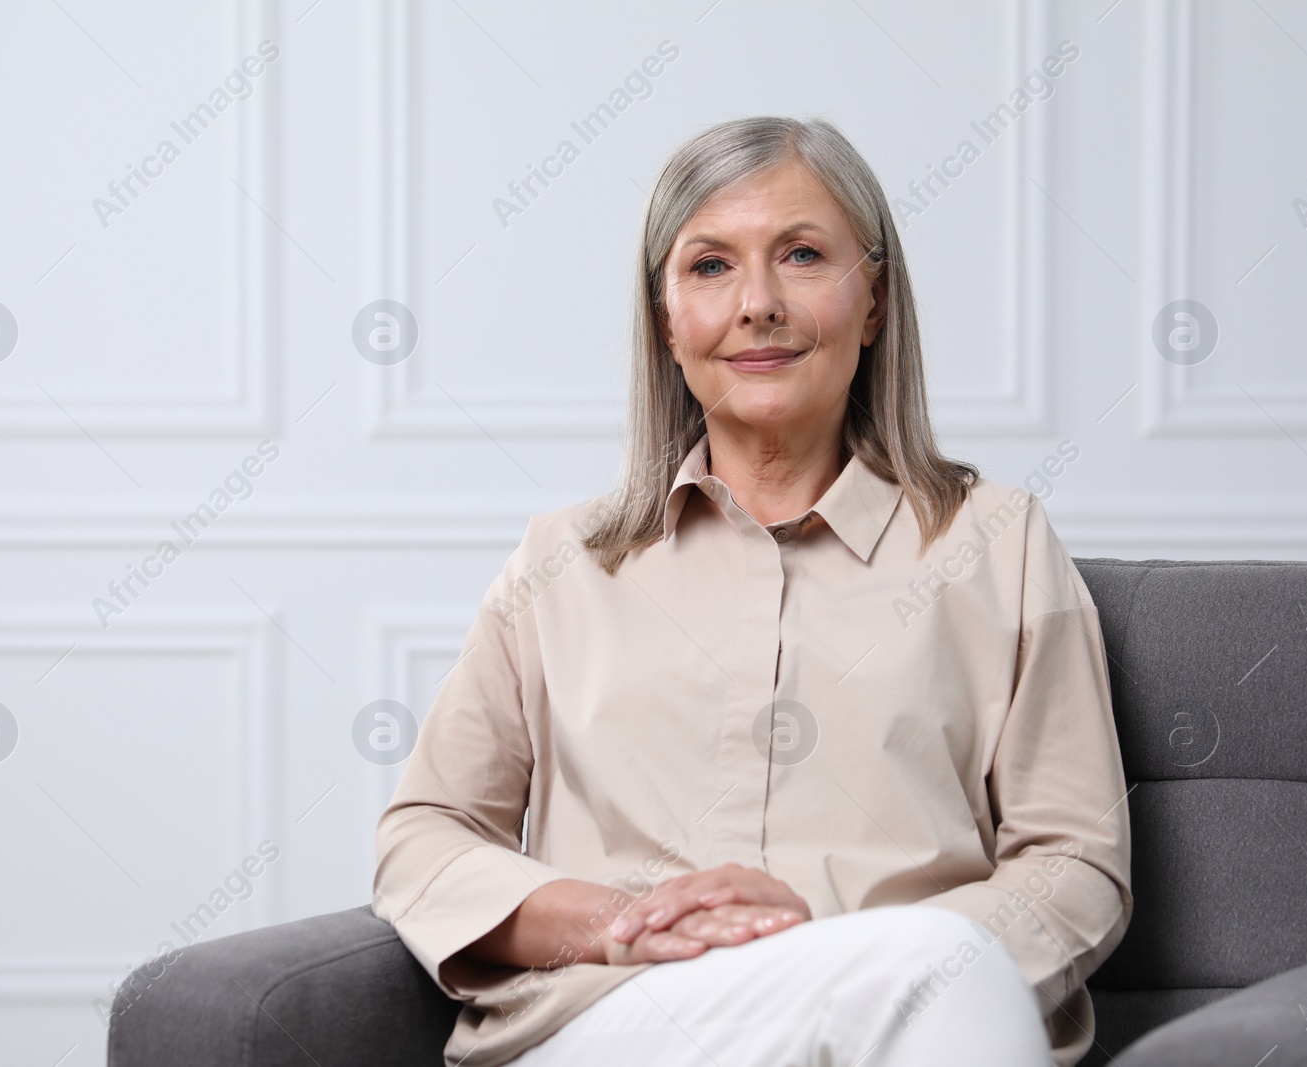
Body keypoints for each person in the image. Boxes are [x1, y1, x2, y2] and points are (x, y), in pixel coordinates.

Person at [373, 115, 1132, 1067]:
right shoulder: (559, 561)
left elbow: (1075, 866)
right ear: (665, 318)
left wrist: (840, 949)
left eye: (804, 255)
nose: (758, 304)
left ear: (875, 303)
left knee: (938, 964)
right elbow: (424, 838)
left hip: (904, 1011)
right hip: (619, 1021)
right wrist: (623, 923)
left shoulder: (999, 544)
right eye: (709, 266)